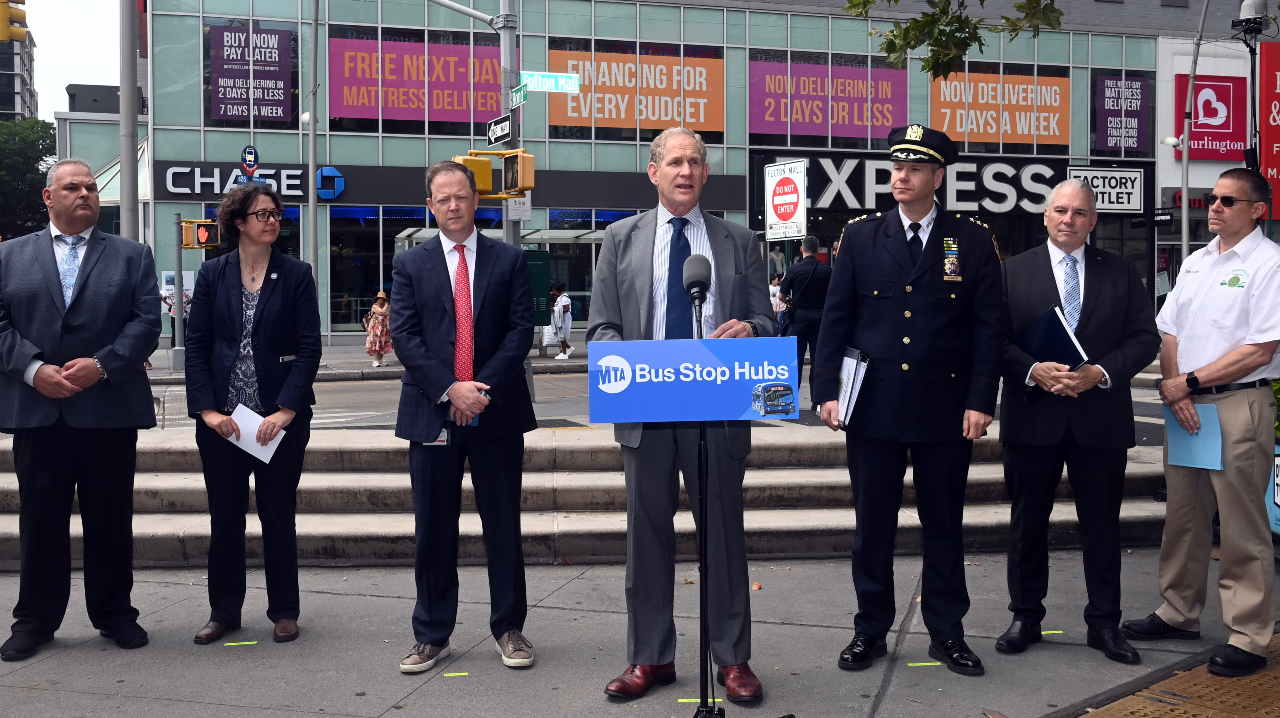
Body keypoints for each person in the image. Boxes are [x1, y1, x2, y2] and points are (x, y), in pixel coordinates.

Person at [588, 127, 774, 703]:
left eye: (695, 161)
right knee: (646, 536)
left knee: (723, 535)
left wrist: (748, 329)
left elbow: (767, 324)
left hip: (718, 407)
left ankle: (732, 659)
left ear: (705, 172)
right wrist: (629, 358)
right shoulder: (619, 239)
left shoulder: (739, 242)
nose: (686, 171)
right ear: (654, 172)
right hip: (647, 407)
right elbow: (601, 327)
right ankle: (650, 658)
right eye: (675, 162)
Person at [812, 125, 1003, 677]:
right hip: (872, 408)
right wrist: (826, 390)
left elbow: (988, 327)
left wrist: (980, 399)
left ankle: (947, 632)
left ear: (937, 177)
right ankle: (870, 629)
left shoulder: (969, 239)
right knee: (873, 525)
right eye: (897, 167)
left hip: (945, 409)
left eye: (915, 169)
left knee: (944, 525)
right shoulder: (861, 236)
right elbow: (837, 319)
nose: (901, 176)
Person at [0, 158, 162, 661]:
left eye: (91, 187)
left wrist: (102, 365)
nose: (86, 194)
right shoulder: (8, 255)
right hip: (38, 409)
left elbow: (146, 322)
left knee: (110, 518)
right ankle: (35, 620)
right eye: (73, 187)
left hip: (107, 409)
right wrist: (33, 369)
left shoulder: (132, 255)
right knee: (40, 520)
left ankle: (115, 614)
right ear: (49, 197)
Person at [1122, 168, 1280, 678]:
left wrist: (1186, 382)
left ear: (1257, 210)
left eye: (1227, 201)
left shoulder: (1269, 264)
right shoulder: (1195, 261)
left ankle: (1251, 634)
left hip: (1236, 405)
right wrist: (1175, 386)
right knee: (1185, 518)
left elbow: (1260, 349)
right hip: (1186, 402)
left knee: (1241, 524)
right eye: (1211, 198)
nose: (1213, 206)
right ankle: (1178, 610)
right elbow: (1168, 330)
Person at [995, 178, 1160, 664]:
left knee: (1103, 527)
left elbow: (1144, 338)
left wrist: (1101, 372)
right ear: (1046, 215)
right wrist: (1031, 369)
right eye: (1061, 210)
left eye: (1080, 213)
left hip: (1099, 417)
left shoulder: (1123, 272)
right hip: (1033, 417)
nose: (1069, 220)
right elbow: (992, 339)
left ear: (1093, 221)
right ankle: (1025, 615)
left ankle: (1105, 624)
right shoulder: (1011, 272)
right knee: (1027, 524)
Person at [391, 161, 538, 674]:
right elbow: (405, 337)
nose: (453, 206)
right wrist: (450, 388)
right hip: (432, 413)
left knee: (503, 524)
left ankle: (509, 629)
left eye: (461, 197)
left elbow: (521, 332)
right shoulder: (411, 264)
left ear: (477, 201)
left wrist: (479, 391)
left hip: (496, 413)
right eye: (443, 199)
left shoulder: (510, 259)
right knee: (433, 527)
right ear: (429, 206)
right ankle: (432, 635)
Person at [184, 184, 321, 646]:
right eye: (260, 213)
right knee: (225, 518)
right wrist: (205, 410)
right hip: (223, 422)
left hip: (275, 420)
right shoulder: (212, 274)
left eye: (275, 213)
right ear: (238, 221)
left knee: (277, 515)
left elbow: (308, 347)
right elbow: (198, 345)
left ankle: (284, 611)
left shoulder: (297, 274)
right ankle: (223, 612)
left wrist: (286, 409)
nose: (271, 220)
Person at [779, 236, 832, 408]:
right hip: (821, 317)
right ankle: (816, 402)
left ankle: (789, 400)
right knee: (818, 359)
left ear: (802, 249)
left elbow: (781, 296)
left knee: (795, 358)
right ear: (818, 250)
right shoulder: (826, 270)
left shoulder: (794, 270)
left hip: (799, 317)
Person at [366, 291, 393, 367]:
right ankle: (375, 361)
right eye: (380, 298)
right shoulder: (375, 306)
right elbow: (382, 312)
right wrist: (387, 305)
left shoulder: (387, 307)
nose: (381, 300)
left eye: (383, 299)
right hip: (376, 328)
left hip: (384, 328)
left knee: (382, 344)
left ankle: (380, 360)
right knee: (376, 343)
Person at [550, 281, 575, 359]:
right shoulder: (560, 297)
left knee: (562, 335)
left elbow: (566, 308)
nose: (552, 292)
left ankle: (564, 353)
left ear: (557, 291)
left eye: (553, 290)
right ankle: (569, 348)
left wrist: (554, 309)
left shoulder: (564, 298)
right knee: (561, 335)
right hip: (560, 318)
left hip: (563, 318)